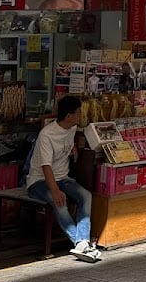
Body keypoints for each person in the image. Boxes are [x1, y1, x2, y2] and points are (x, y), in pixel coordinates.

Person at [26, 95, 99, 262]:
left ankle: (82, 243)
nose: (80, 116)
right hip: (39, 181)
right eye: (78, 113)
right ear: (69, 116)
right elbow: (46, 167)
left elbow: (68, 140)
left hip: (63, 178)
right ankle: (81, 243)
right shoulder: (46, 135)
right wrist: (55, 190)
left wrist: (73, 148)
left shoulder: (71, 128)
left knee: (86, 196)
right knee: (58, 201)